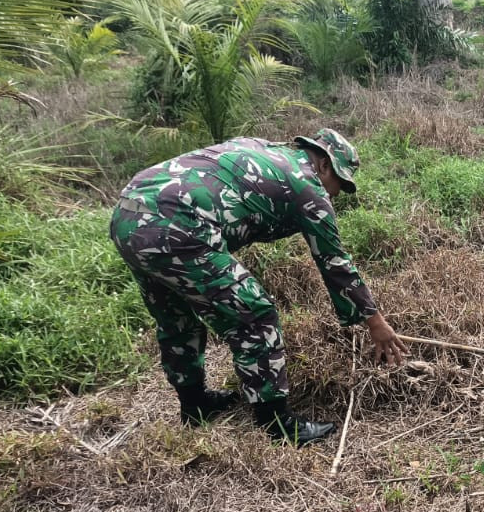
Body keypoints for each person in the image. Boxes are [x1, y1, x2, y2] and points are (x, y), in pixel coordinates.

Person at [109, 130, 408, 445]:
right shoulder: (307, 186)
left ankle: (195, 406)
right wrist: (376, 322)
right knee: (255, 314)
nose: (335, 194)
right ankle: (278, 425)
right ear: (323, 165)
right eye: (339, 184)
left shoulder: (264, 150)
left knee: (175, 316)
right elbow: (335, 262)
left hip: (128, 215)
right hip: (176, 226)